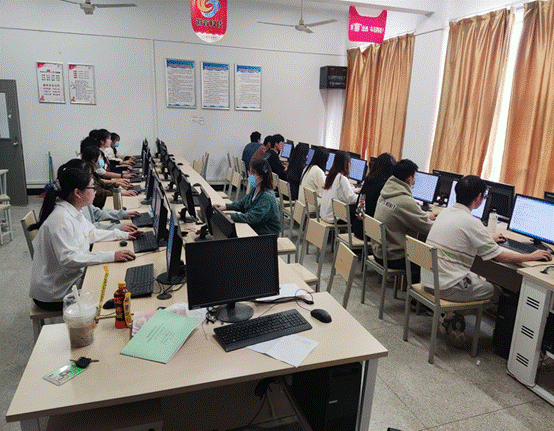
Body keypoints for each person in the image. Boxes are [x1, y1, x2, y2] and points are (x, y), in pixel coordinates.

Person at [421, 175, 551, 343]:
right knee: (497, 292)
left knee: (483, 282)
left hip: (429, 281)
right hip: (447, 287)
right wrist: (531, 256)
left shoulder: (445, 213)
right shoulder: (471, 223)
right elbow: (501, 256)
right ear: (478, 197)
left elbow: (464, 234)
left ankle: (452, 316)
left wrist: (487, 237)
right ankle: (453, 315)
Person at [29, 161, 141, 311]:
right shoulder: (61, 219)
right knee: (111, 291)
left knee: (112, 278)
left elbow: (91, 233)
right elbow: (69, 258)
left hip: (68, 279)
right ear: (77, 193)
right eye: (92, 188)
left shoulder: (73, 209)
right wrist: (112, 255)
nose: (95, 191)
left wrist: (124, 235)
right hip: (55, 292)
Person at [372, 159, 436, 283]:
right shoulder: (404, 201)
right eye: (414, 177)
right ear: (409, 179)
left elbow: (408, 214)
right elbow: (428, 228)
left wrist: (425, 215)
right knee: (429, 260)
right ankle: (415, 294)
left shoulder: (385, 192)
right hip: (392, 257)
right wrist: (444, 223)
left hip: (378, 251)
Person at [214, 159, 280, 236]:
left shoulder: (267, 196)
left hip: (266, 235)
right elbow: (242, 204)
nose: (250, 176)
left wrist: (231, 216)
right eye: (250, 173)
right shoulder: (256, 189)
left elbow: (252, 217)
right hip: (256, 228)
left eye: (253, 173)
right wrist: (226, 207)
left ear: (261, 177)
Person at [352, 152, 397, 239]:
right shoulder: (384, 187)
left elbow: (360, 205)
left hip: (358, 228)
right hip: (369, 233)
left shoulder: (368, 180)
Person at [81, 144, 136, 208]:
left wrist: (116, 183)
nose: (102, 160)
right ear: (93, 161)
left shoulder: (93, 172)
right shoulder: (87, 174)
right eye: (100, 158)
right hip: (99, 204)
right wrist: (120, 193)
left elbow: (102, 183)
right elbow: (100, 192)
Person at [320, 151, 358, 223]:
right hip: (333, 218)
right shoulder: (342, 178)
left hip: (324, 214)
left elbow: (340, 190)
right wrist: (360, 197)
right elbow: (351, 199)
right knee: (356, 214)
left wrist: (355, 190)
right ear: (346, 164)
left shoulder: (331, 175)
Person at [298, 147, 328, 212]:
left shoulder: (307, 168)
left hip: (302, 205)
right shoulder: (318, 171)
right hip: (310, 207)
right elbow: (324, 192)